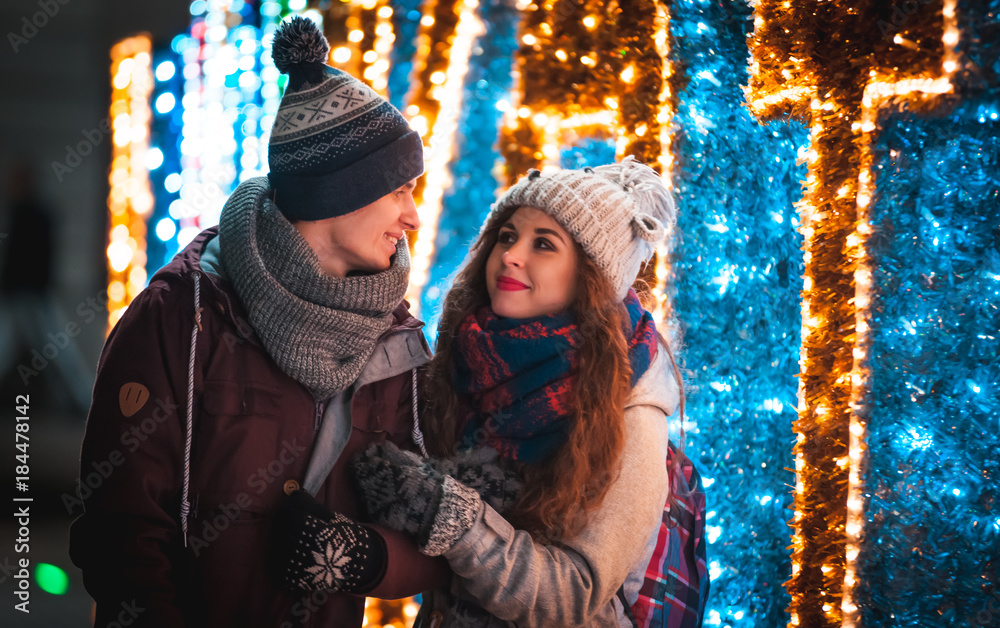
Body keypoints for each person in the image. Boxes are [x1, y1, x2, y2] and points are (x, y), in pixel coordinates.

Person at [69, 16, 446, 627]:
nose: (411, 216)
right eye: (399, 189)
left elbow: (435, 542)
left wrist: (363, 559)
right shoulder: (183, 317)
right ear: (338, 193)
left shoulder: (395, 344)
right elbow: (121, 532)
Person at [282, 157, 687, 626]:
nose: (512, 255)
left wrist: (451, 518)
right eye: (508, 236)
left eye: (544, 245)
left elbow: (574, 596)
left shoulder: (630, 412)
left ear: (591, 278)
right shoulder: (470, 362)